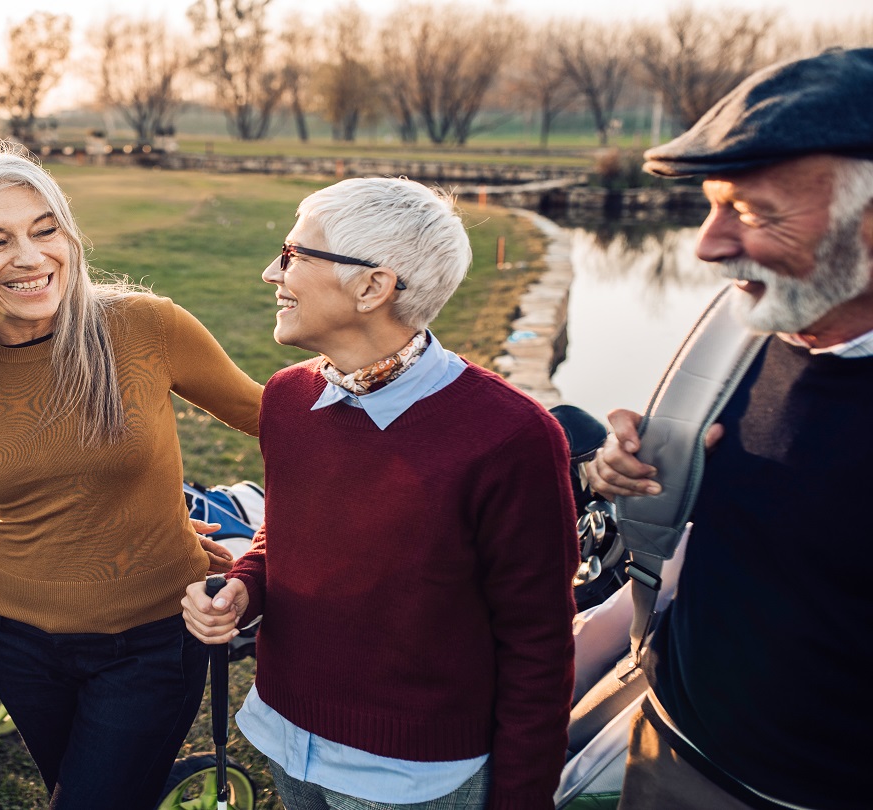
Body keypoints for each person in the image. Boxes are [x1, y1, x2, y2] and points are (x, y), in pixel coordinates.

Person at [0, 142, 262, 809]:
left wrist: (392, 379)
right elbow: (26, 484)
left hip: (153, 635)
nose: (30, 258)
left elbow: (275, 419)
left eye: (45, 229)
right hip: (10, 634)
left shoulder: (144, 326)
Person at [183, 177, 578, 810]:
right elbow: (280, 537)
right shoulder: (287, 398)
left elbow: (538, 642)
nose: (269, 273)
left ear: (372, 286)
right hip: (282, 734)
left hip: (413, 783)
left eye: (293, 256)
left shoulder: (513, 437)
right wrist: (244, 587)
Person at [588, 48, 873, 810]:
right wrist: (648, 477)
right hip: (664, 749)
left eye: (749, 213)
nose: (706, 245)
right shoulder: (749, 331)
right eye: (713, 206)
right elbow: (711, 549)